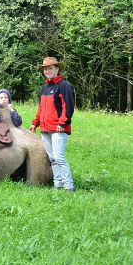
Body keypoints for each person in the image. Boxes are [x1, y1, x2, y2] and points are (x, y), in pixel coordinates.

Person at [29, 57, 75, 192]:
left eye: (50, 68)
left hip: (58, 128)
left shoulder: (64, 85)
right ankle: (57, 184)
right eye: (45, 69)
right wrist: (35, 123)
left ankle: (69, 186)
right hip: (45, 129)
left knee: (59, 157)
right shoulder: (45, 88)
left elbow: (68, 106)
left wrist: (62, 123)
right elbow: (41, 108)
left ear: (57, 69)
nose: (47, 71)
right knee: (52, 158)